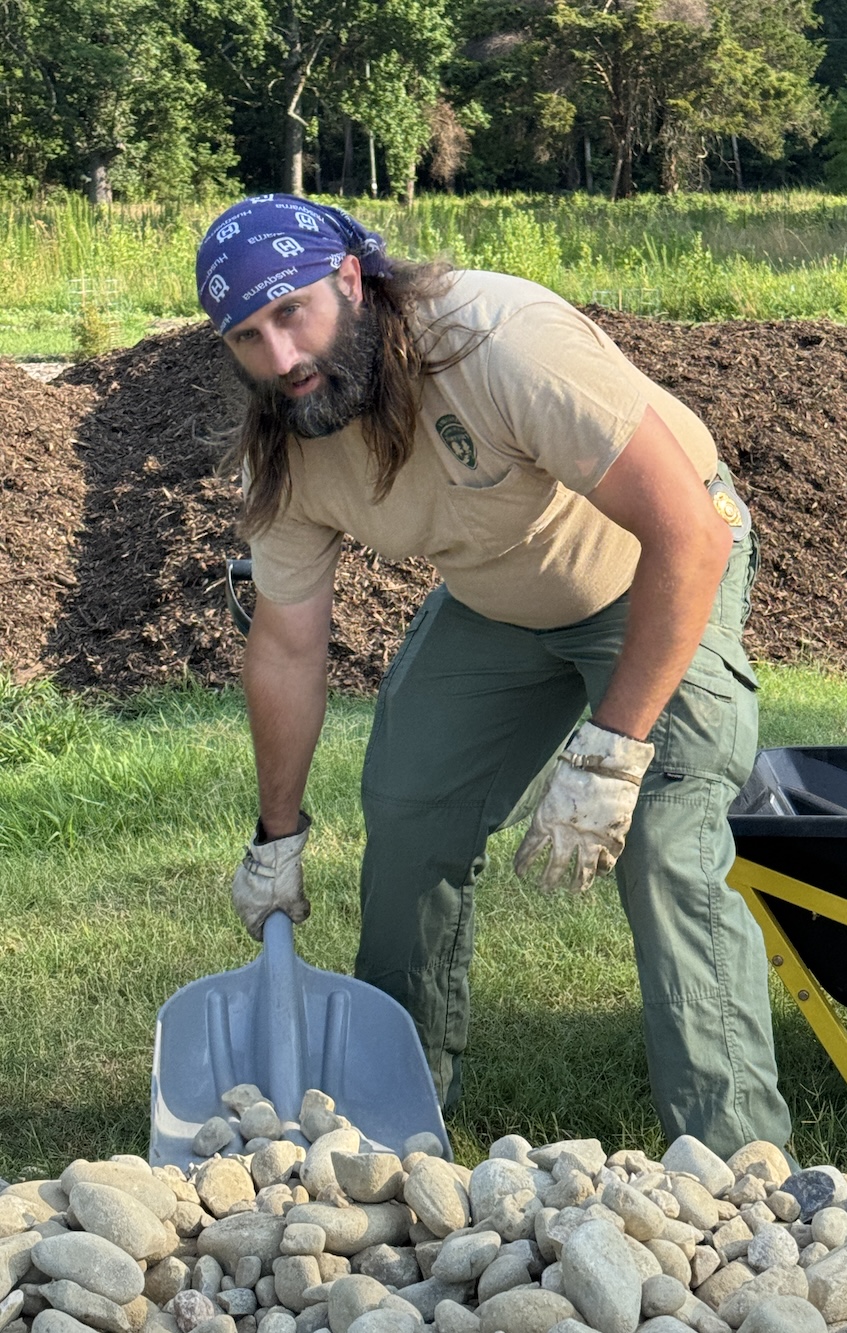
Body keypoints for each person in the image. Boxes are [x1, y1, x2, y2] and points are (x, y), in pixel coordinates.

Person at [195, 193, 791, 1159]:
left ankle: (741, 1171)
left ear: (351, 279)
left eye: (292, 312)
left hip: (655, 571)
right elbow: (288, 644)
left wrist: (611, 752)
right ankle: (394, 1127)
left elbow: (688, 532)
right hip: (498, 597)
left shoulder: (496, 341)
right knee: (410, 804)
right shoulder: (289, 447)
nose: (281, 357)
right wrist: (276, 836)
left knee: (664, 844)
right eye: (249, 336)